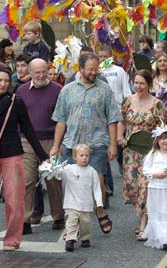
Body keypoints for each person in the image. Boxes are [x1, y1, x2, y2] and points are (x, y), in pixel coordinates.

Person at [0, 66, 49, 253]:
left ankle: (12, 239)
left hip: (13, 153)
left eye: (6, 81)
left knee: (14, 199)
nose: (3, 84)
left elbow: (28, 129)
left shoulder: (17, 102)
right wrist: (3, 104)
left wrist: (42, 155)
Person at [51, 53, 121, 208]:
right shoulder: (67, 91)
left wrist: (113, 145)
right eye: (90, 69)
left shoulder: (105, 89)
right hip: (71, 144)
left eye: (96, 69)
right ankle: (74, 214)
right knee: (72, 182)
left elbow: (112, 119)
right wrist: (56, 146)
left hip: (96, 143)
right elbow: (61, 120)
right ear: (81, 68)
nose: (94, 73)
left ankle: (100, 210)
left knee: (98, 179)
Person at [16, 59, 65, 234]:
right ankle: (25, 220)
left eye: (44, 71)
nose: (41, 75)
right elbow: (17, 117)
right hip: (27, 140)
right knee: (27, 180)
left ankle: (58, 216)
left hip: (51, 139)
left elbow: (62, 118)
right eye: (37, 72)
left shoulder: (58, 90)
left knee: (52, 180)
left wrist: (58, 144)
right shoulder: (21, 91)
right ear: (30, 73)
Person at [118, 70, 166, 240]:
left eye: (142, 83)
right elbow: (122, 121)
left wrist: (161, 149)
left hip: (149, 152)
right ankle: (142, 215)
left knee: (144, 187)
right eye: (136, 83)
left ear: (149, 85)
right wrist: (119, 137)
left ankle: (143, 223)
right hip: (130, 151)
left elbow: (162, 128)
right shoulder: (128, 101)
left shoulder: (157, 104)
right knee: (132, 187)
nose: (138, 86)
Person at [55, 144, 109, 252]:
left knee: (85, 223)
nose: (84, 158)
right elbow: (59, 175)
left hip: (86, 203)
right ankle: (70, 239)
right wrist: (54, 168)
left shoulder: (92, 171)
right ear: (74, 157)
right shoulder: (68, 169)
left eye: (87, 155)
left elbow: (96, 188)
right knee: (71, 221)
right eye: (81, 155)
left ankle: (85, 238)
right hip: (71, 203)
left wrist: (99, 203)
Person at [98, 47, 132, 201]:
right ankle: (107, 183)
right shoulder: (96, 72)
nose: (103, 59)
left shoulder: (119, 71)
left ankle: (120, 161)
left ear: (111, 57)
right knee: (104, 145)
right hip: (101, 113)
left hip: (117, 110)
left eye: (105, 56)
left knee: (117, 142)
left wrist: (127, 108)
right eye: (100, 56)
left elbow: (126, 91)